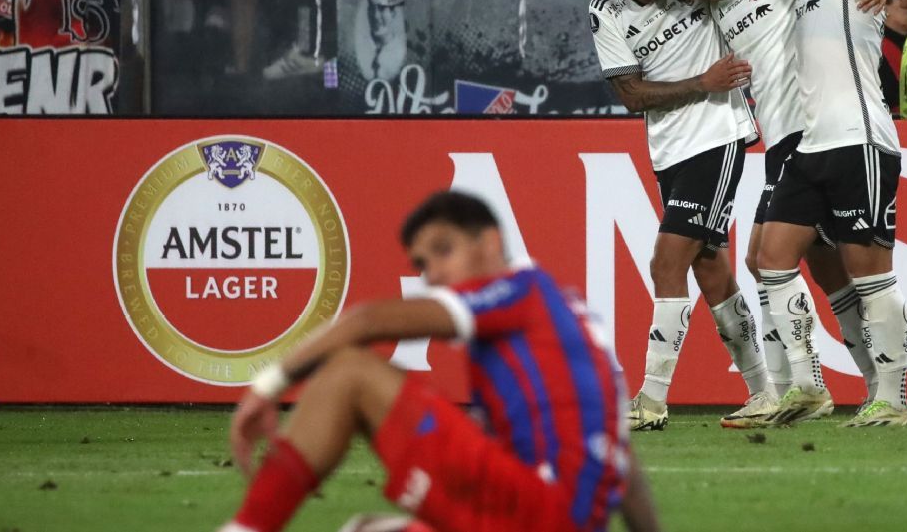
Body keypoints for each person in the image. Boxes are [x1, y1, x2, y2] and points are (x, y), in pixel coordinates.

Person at [220, 191, 659, 532]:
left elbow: (367, 320)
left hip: (533, 511)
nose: (432, 275)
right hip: (553, 519)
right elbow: (626, 468)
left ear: (489, 243)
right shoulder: (569, 319)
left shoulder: (521, 290)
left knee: (351, 372)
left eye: (443, 251)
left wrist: (267, 387)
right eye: (421, 264)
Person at [651, 0, 895, 413]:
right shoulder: (712, 4)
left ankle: (804, 388)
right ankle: (850, 387)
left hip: (811, 131)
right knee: (821, 269)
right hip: (782, 138)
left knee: (768, 259)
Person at [751, 0, 907, 428]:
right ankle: (808, 383)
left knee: (870, 272)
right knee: (770, 257)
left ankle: (892, 399)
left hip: (860, 142)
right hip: (809, 145)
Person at [588, 0, 773, 431]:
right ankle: (765, 391)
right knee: (709, 269)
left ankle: (651, 399)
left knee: (666, 262)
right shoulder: (605, 12)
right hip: (668, 152)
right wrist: (702, 80)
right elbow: (631, 96)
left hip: (719, 134)